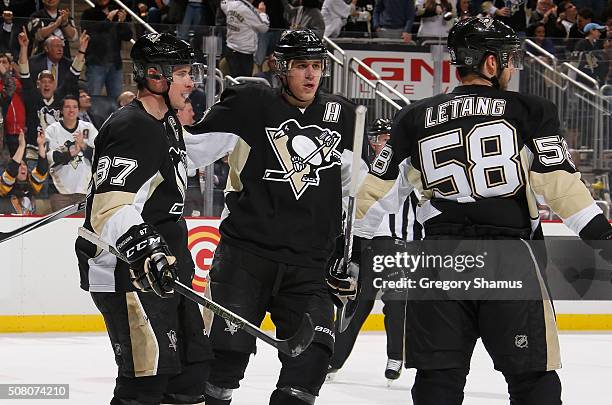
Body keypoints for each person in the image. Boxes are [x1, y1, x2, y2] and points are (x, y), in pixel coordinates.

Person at [353, 16, 612, 405]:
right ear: (490, 63)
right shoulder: (530, 110)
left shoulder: (414, 117)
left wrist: (350, 254)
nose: (511, 66)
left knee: (437, 380)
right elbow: (559, 185)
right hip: (507, 261)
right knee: (532, 379)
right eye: (507, 58)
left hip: (438, 261)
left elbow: (373, 194)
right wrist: (601, 236)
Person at [185, 28, 368, 405]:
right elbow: (189, 151)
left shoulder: (343, 116)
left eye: (317, 66)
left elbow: (357, 191)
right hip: (246, 257)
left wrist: (351, 252)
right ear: (281, 68)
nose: (312, 75)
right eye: (302, 66)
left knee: (314, 357)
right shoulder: (249, 103)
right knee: (226, 356)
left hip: (310, 263)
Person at [74, 33, 213, 405]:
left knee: (190, 379)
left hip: (166, 265)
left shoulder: (167, 123)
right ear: (155, 75)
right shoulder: (129, 127)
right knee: (146, 381)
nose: (191, 81)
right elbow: (109, 208)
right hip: (128, 270)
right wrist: (146, 246)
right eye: (182, 73)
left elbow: (173, 168)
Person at [326, 118, 422, 385]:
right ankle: (333, 358)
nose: (381, 143)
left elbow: (424, 204)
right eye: (377, 138)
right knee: (356, 301)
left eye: (386, 137)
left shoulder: (408, 167)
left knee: (396, 301)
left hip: (398, 245)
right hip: (364, 244)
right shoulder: (362, 169)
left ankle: (395, 357)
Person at [45, 95, 98, 211]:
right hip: (60, 192)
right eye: (67, 107)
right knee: (61, 227)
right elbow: (50, 157)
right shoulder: (52, 130)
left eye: (74, 107)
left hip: (85, 191)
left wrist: (83, 146)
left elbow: (100, 155)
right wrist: (70, 154)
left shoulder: (88, 128)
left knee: (83, 228)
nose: (71, 110)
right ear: (61, 110)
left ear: (79, 110)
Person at [80, 0, 133, 100]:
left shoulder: (116, 13)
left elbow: (127, 36)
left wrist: (122, 22)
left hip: (115, 65)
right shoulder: (88, 14)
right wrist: (108, 20)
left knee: (117, 100)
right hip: (96, 63)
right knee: (92, 99)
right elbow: (91, 35)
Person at [0, 129, 47, 214]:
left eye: (24, 165)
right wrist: (21, 146)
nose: (23, 167)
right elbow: (11, 171)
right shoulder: (3, 186)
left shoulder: (31, 184)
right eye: (20, 165)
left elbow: (42, 170)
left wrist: (41, 145)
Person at [221, 0, 270, 77]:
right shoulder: (248, 10)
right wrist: (262, 13)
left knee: (234, 81)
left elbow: (223, 3)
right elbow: (264, 27)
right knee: (242, 84)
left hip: (231, 49)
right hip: (243, 54)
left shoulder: (230, 4)